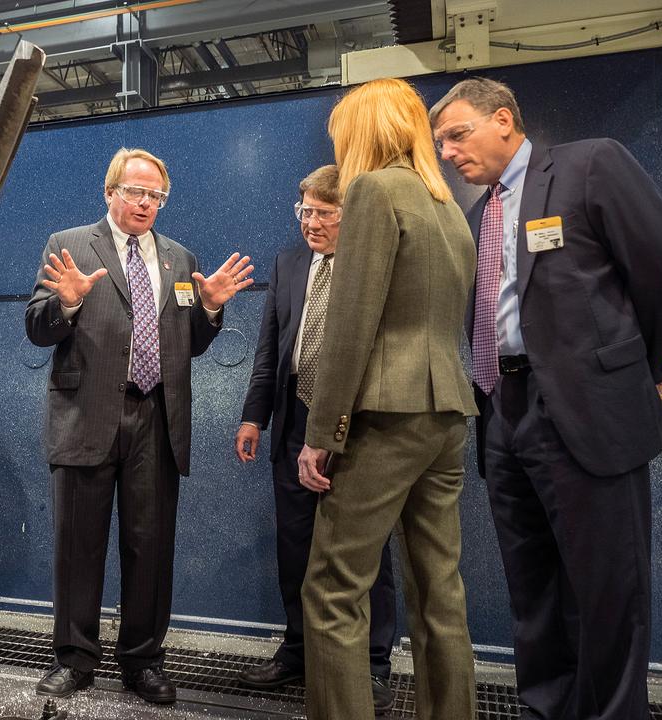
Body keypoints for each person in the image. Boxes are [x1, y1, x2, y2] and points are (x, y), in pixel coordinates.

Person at [430, 77, 662, 720]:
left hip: (585, 407)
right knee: (532, 586)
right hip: (502, 409)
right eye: (440, 144)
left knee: (608, 588)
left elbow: (661, 271)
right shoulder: (476, 216)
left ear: (504, 120)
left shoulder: (588, 165)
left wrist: (634, 368)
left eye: (457, 135)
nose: (448, 153)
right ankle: (546, 711)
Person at [25, 147, 253, 705]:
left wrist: (210, 311)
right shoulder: (69, 245)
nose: (146, 203)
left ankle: (143, 661)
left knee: (150, 547)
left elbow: (188, 344)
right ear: (111, 192)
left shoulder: (179, 258)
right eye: (136, 192)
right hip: (86, 415)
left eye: (156, 195)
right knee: (78, 546)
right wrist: (65, 306)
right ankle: (74, 660)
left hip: (156, 417)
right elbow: (36, 328)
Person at [296, 78, 477, 720]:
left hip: (385, 417)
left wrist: (321, 434)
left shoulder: (373, 190)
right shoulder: (447, 204)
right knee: (439, 592)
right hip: (446, 414)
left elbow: (351, 325)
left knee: (332, 590)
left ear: (363, 132)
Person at [235, 164, 395, 712]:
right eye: (304, 211)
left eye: (324, 213)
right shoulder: (289, 263)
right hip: (294, 420)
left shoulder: (371, 263)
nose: (311, 223)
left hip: (356, 425)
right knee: (295, 544)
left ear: (352, 215)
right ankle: (299, 650)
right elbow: (271, 347)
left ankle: (372, 664)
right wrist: (254, 417)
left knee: (364, 549)